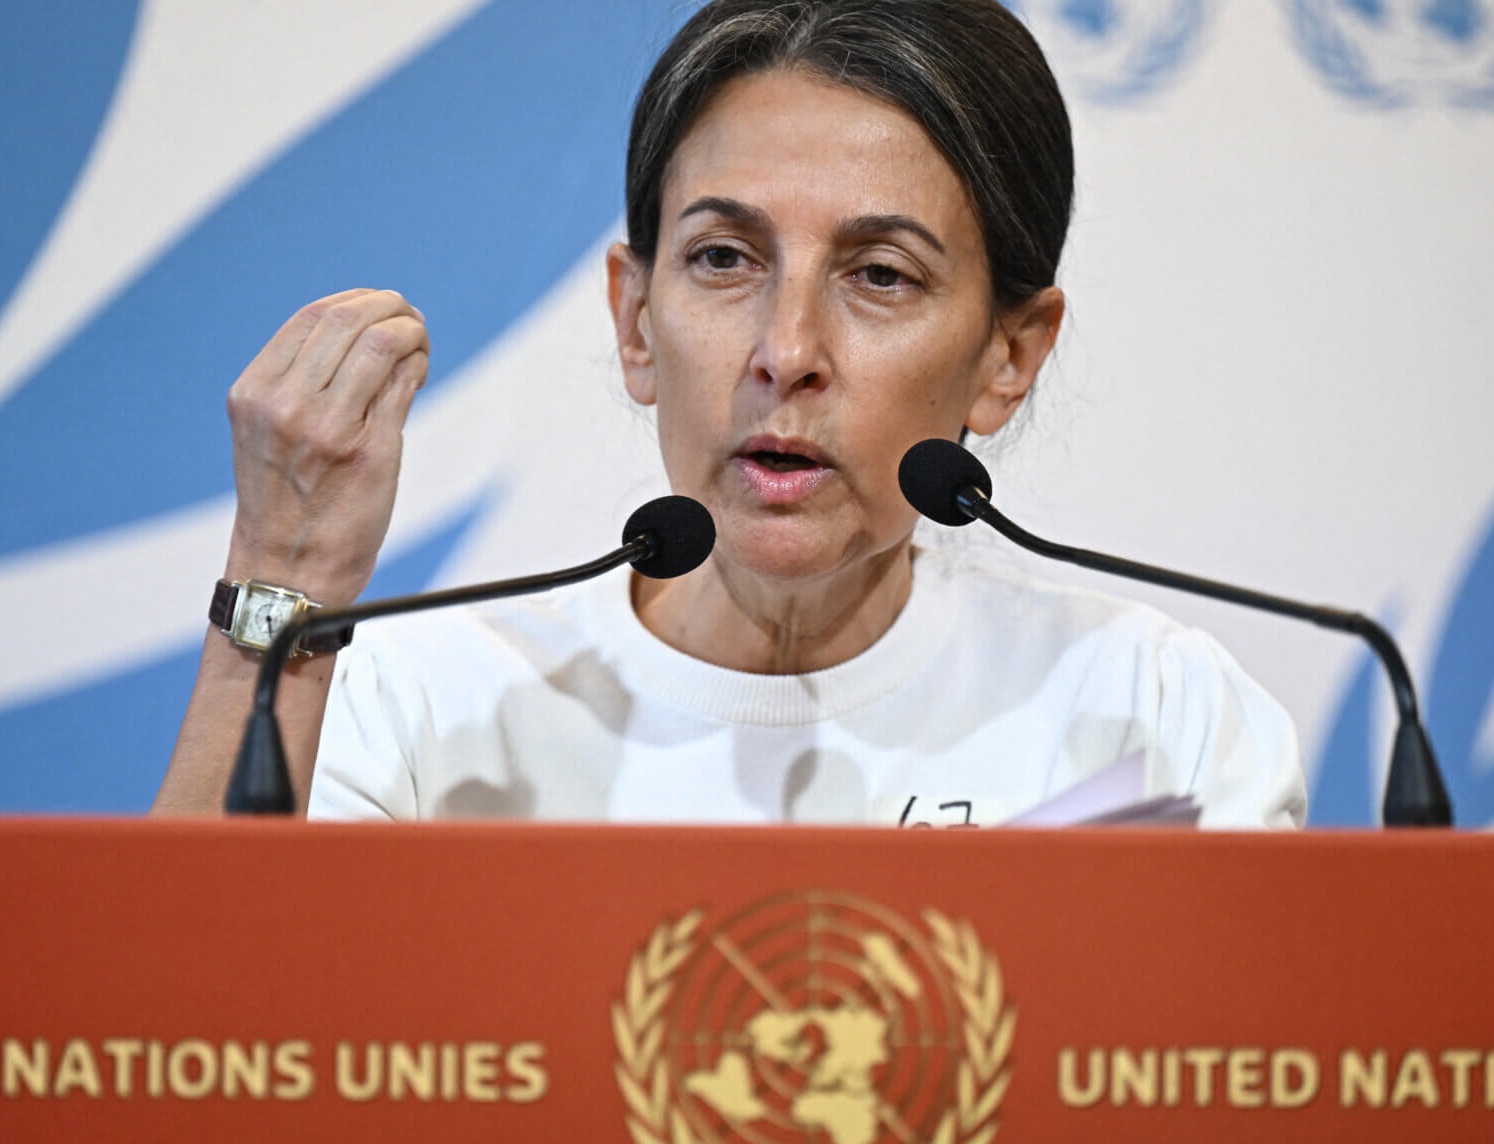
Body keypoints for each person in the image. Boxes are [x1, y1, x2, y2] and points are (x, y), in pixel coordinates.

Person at [153, 0, 1305, 828]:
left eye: (881, 277)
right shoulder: (425, 711)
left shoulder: (1155, 719)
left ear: (1010, 355)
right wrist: (281, 570)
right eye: (721, 258)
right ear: (636, 321)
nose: (787, 352)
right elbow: (163, 1087)